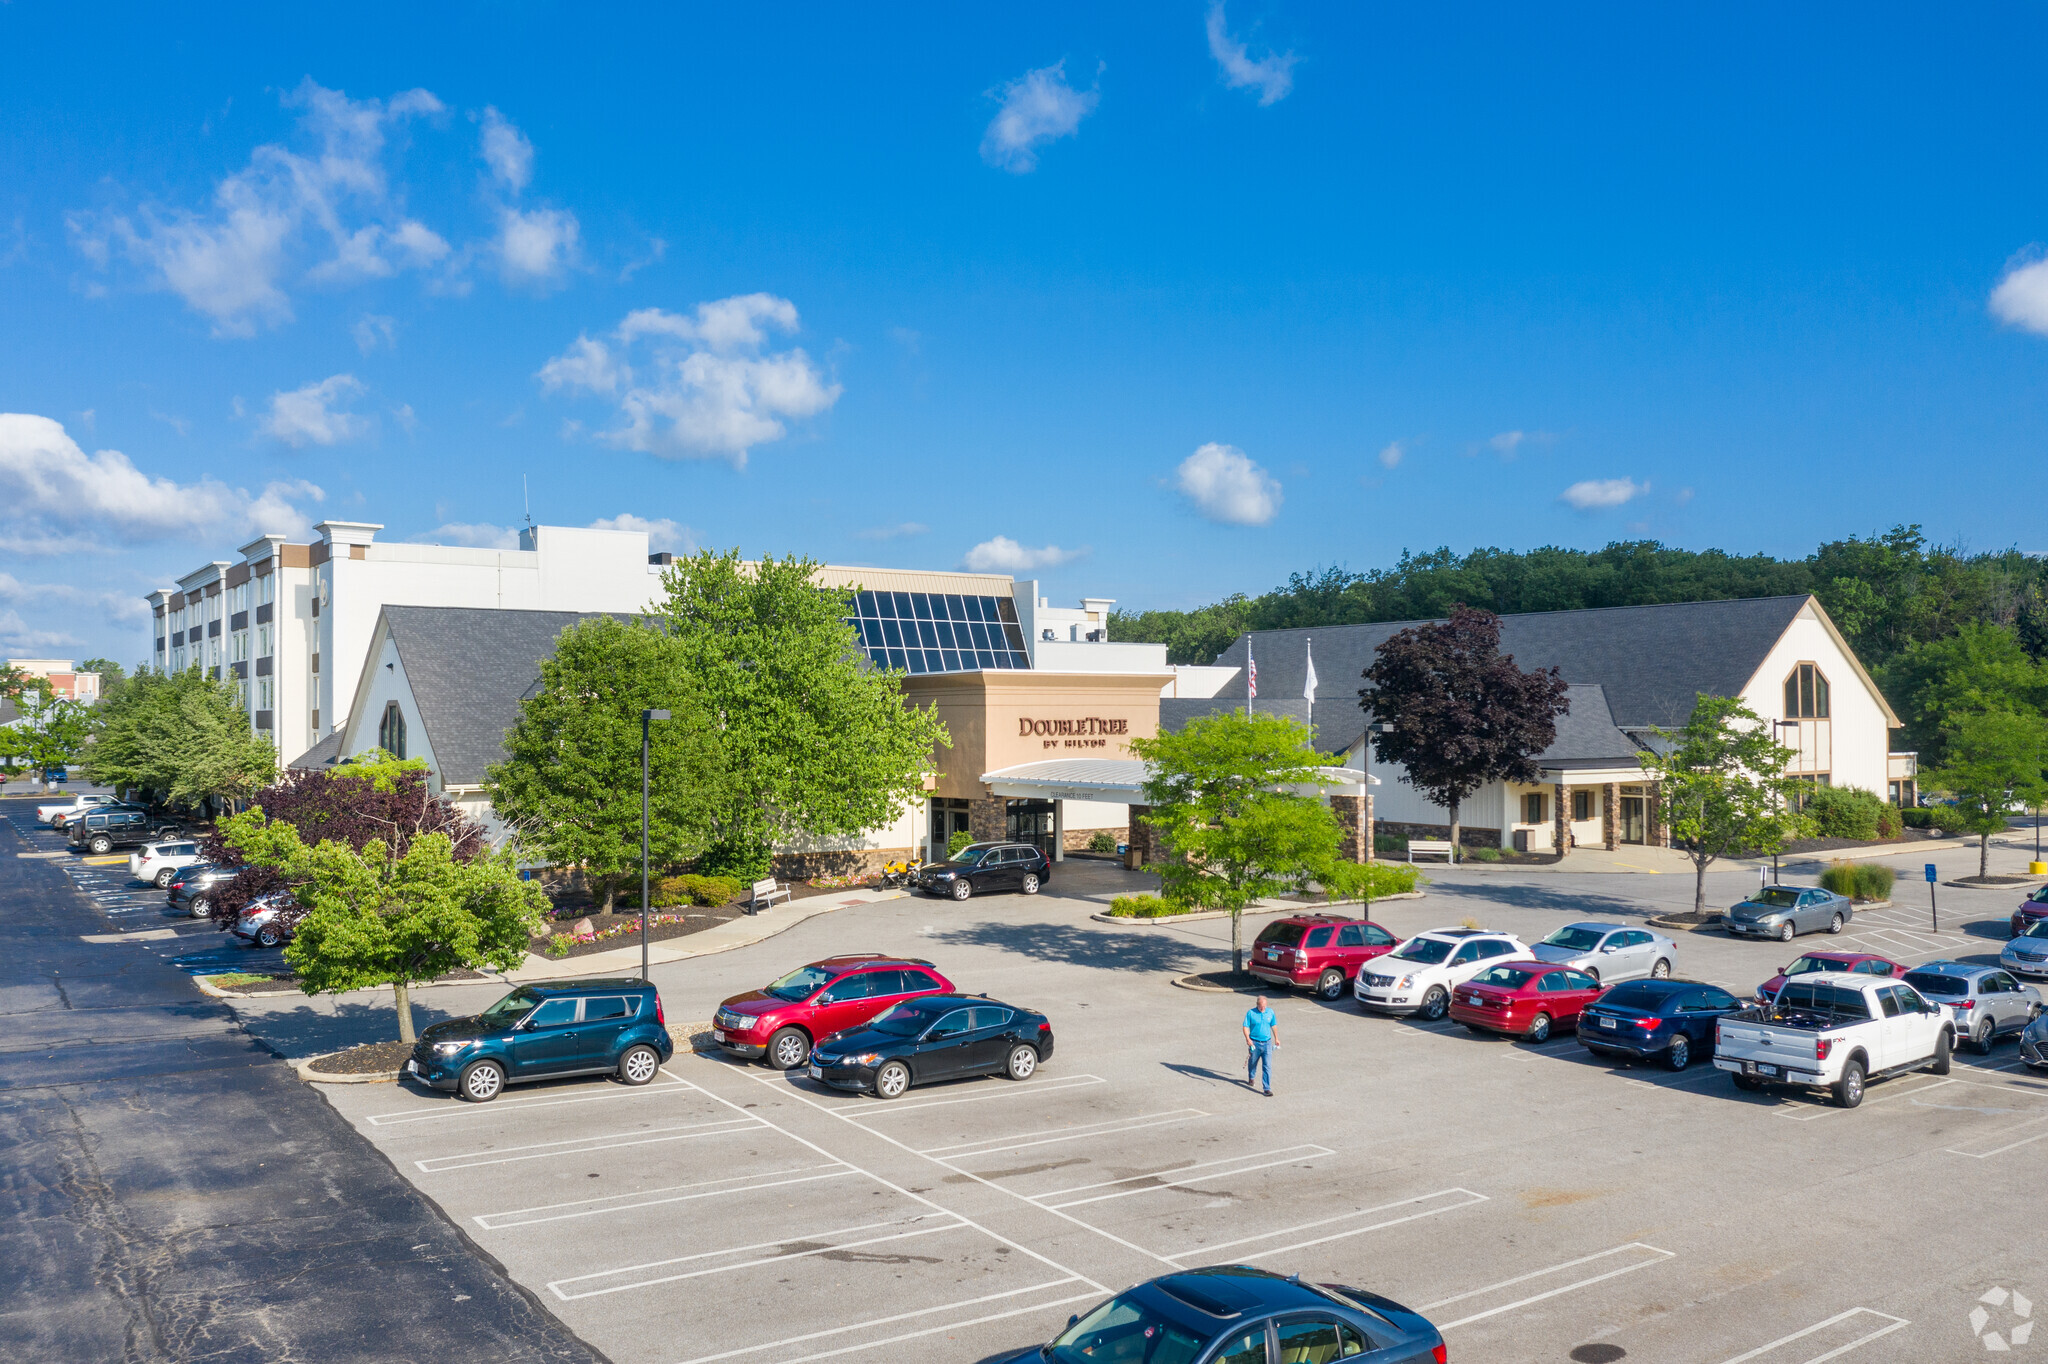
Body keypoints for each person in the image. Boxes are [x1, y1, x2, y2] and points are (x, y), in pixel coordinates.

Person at [1242, 995, 1278, 1095]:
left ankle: (1266, 1088)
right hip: (1255, 1043)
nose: (1263, 1009)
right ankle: (1251, 1076)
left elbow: (1273, 1025)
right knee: (1253, 1062)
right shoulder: (1251, 1013)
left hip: (1267, 1043)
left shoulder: (1270, 1012)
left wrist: (1276, 1038)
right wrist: (1248, 1039)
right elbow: (1245, 1027)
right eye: (1261, 1007)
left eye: (1265, 1006)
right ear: (1257, 1005)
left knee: (1267, 1066)